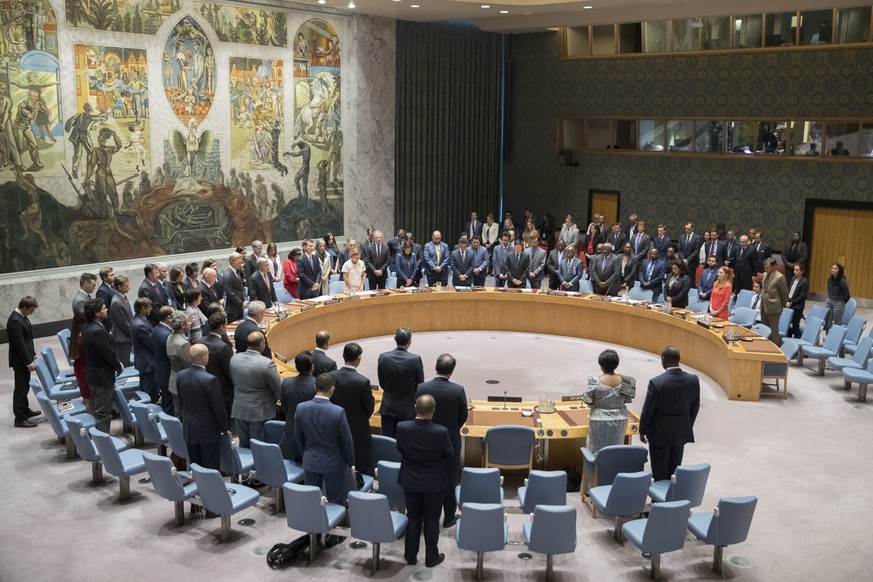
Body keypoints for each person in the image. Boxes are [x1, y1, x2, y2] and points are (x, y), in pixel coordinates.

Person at [396, 394, 453, 567]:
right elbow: (449, 454)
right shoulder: (440, 432)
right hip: (434, 482)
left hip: (410, 479)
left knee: (413, 517)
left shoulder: (402, 427)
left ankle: (410, 556)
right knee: (432, 520)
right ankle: (431, 558)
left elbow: (399, 447)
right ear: (433, 411)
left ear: (415, 408)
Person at [415, 354, 468, 527]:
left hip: (424, 439)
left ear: (435, 367)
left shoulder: (422, 388)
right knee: (450, 479)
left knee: (425, 475)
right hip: (450, 440)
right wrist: (451, 429)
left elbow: (416, 411)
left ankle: (425, 514)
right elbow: (463, 417)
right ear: (452, 371)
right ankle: (449, 518)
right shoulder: (458, 390)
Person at [638, 346, 700, 482]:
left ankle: (659, 500)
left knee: (659, 470)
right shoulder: (693, 380)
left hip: (660, 433)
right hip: (680, 431)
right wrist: (687, 425)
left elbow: (648, 410)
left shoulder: (656, 382)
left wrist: (642, 430)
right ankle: (672, 498)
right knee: (675, 468)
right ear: (679, 359)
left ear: (663, 359)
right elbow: (695, 407)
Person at [295, 373, 355, 505]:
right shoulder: (338, 411)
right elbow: (347, 440)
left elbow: (298, 436)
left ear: (315, 386)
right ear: (332, 389)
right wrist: (350, 461)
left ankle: (313, 525)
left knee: (312, 500)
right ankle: (333, 525)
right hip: (333, 463)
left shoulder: (301, 408)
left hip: (310, 460)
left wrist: (305, 454)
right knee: (334, 501)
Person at [175, 344, 230, 470]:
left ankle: (199, 489)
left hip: (189, 428)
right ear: (204, 358)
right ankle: (210, 490)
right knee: (210, 468)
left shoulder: (181, 375)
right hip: (208, 431)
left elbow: (181, 401)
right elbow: (218, 408)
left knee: (196, 467)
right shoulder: (210, 380)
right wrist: (224, 428)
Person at [330, 343, 375, 475]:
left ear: (343, 356)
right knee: (358, 468)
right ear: (358, 359)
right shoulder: (363, 381)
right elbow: (369, 408)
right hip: (358, 431)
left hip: (335, 428)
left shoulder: (331, 376)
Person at [230, 331, 281, 447]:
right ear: (262, 345)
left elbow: (234, 381)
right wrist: (274, 401)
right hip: (259, 411)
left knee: (244, 444)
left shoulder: (234, 359)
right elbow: (278, 388)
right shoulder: (267, 364)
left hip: (239, 408)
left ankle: (245, 465)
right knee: (260, 446)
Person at [582, 350, 636, 454]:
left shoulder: (595, 380)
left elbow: (587, 399)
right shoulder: (627, 381)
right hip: (620, 420)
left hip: (598, 420)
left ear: (601, 365)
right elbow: (627, 399)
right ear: (617, 364)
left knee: (596, 452)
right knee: (615, 451)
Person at [82, 299, 123, 433]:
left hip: (95, 375)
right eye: (104, 308)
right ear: (97, 313)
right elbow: (107, 353)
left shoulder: (88, 326)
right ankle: (103, 444)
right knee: (103, 414)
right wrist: (118, 365)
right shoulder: (97, 331)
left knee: (100, 411)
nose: (106, 310)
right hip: (102, 378)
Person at [377, 327, 425, 438]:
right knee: (406, 442)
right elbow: (420, 385)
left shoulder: (383, 357)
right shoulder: (415, 359)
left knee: (388, 441)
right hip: (407, 409)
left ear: (395, 338)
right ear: (410, 342)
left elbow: (382, 383)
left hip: (388, 408)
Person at [195, 313, 235, 426]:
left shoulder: (200, 341)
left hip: (202, 385)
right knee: (224, 421)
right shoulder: (223, 347)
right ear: (222, 327)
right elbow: (229, 373)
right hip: (222, 390)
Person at [7, 296, 40, 428]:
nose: (31, 313)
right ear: (24, 308)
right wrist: (28, 362)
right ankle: (19, 418)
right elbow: (19, 345)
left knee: (24, 386)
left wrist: (32, 354)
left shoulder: (21, 317)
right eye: (31, 310)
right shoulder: (15, 321)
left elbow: (27, 339)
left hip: (25, 358)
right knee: (21, 388)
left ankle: (25, 410)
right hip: (20, 361)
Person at [280, 351, 316, 462]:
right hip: (312, 431)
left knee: (295, 461)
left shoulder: (286, 382)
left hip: (292, 428)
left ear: (296, 367)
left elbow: (284, 406)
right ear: (312, 366)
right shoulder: (318, 384)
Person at [166, 310, 192, 418]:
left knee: (178, 412)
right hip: (183, 382)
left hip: (173, 380)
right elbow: (190, 365)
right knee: (185, 414)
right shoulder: (183, 344)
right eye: (188, 322)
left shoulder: (170, 337)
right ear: (182, 325)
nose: (190, 323)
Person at [759, 258, 789, 344]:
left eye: (767, 267)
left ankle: (776, 350)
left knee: (773, 331)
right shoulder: (764, 274)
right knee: (764, 330)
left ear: (774, 266)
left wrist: (782, 307)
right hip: (764, 306)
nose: (765, 269)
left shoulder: (780, 277)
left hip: (774, 307)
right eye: (764, 267)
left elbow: (784, 293)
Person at [108, 276, 133, 366]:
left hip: (126, 336)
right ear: (119, 287)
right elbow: (123, 323)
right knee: (124, 364)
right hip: (121, 338)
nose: (129, 287)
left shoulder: (123, 297)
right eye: (126, 286)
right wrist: (133, 333)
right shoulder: (116, 302)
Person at [223, 252, 248, 323]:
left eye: (241, 262)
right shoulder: (227, 275)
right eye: (239, 262)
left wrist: (245, 299)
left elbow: (242, 288)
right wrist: (241, 304)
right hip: (233, 309)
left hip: (240, 308)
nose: (241, 264)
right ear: (232, 261)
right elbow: (230, 293)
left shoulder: (237, 271)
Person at [826, 263, 851, 330]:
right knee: (827, 323)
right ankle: (828, 338)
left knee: (837, 323)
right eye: (832, 268)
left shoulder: (842, 281)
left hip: (838, 303)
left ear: (839, 271)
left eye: (835, 269)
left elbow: (847, 295)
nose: (833, 270)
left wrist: (841, 302)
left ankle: (837, 339)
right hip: (829, 301)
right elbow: (829, 289)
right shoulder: (829, 279)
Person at [786, 265, 809, 338]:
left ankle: (797, 339)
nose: (794, 272)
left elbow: (802, 296)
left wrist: (792, 302)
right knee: (787, 324)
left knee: (795, 325)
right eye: (794, 270)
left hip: (797, 306)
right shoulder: (793, 279)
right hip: (789, 303)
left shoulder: (804, 282)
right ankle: (788, 339)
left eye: (797, 270)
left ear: (802, 271)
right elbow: (790, 291)